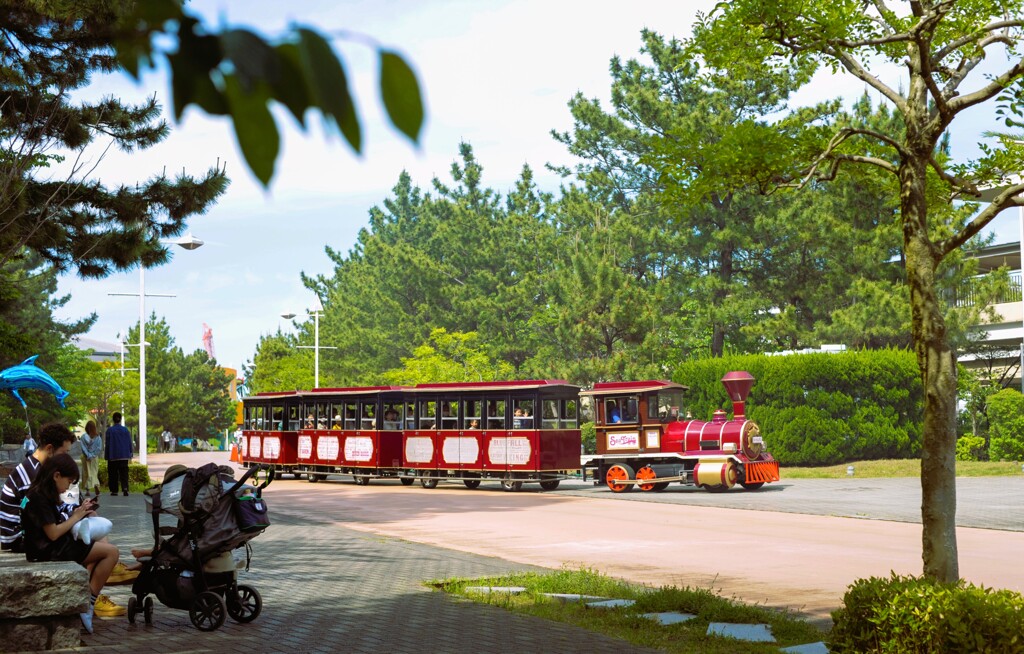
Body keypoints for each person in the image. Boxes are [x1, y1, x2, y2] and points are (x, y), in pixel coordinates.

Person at [20, 453, 126, 632]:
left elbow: (54, 524)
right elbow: (53, 534)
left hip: (49, 547)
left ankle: (86, 601)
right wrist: (77, 516)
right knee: (111, 552)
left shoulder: (40, 492)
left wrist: (79, 511)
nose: (68, 487)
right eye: (69, 481)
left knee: (99, 546)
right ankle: (89, 603)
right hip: (49, 551)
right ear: (56, 475)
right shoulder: (38, 497)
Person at [1, 422, 74, 552]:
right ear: (50, 449)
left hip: (26, 533)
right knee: (85, 541)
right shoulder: (32, 475)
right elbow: (47, 516)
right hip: (18, 538)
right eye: (64, 453)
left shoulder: (37, 467)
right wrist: (73, 515)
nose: (66, 458)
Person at [104, 412, 132, 497]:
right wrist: (130, 453)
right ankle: (125, 488)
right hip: (124, 455)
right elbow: (129, 442)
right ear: (120, 419)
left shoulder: (110, 430)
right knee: (124, 473)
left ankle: (114, 490)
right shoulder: (126, 430)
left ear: (113, 419)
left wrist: (106, 456)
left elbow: (107, 444)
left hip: (113, 455)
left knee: (113, 474)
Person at [80, 421, 102, 499]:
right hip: (94, 458)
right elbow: (99, 448)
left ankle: (88, 490)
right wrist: (93, 455)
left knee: (86, 473)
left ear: (86, 428)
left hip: (86, 458)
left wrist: (88, 455)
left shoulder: (83, 437)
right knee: (94, 472)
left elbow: (83, 448)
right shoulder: (98, 437)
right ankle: (96, 486)